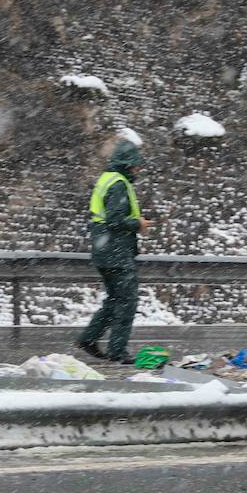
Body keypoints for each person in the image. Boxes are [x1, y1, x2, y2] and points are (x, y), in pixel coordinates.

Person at [75, 136, 152, 364]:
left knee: (114, 299)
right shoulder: (118, 183)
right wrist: (138, 224)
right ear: (127, 163)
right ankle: (117, 351)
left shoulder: (107, 179)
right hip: (115, 251)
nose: (138, 168)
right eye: (136, 163)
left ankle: (89, 338)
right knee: (127, 301)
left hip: (105, 250)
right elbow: (115, 219)